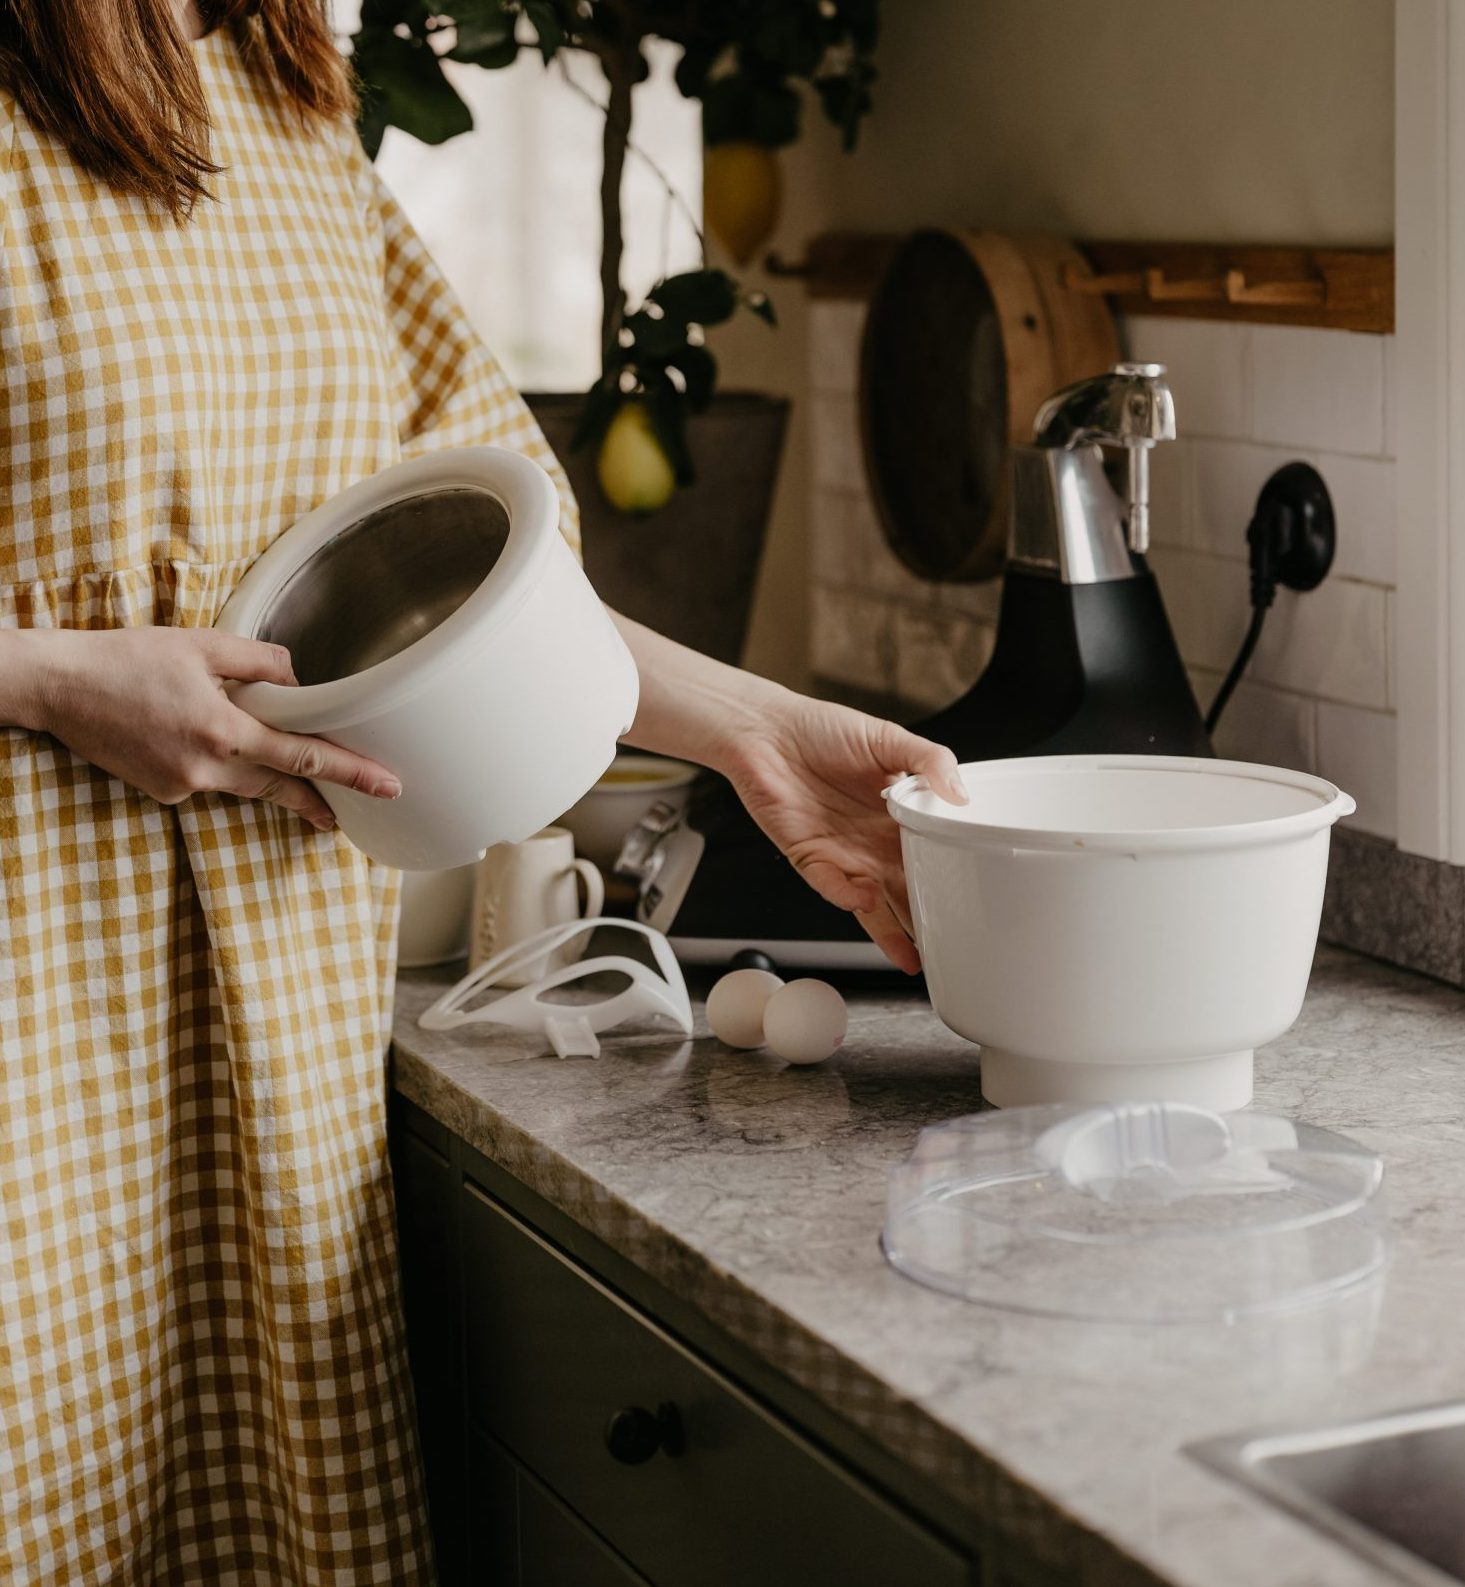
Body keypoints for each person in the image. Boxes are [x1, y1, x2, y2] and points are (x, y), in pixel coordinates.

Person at [0, 2, 962, 1580]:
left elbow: (459, 571)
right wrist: (41, 677)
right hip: (36, 1039)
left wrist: (756, 732)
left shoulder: (277, 83)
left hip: (261, 1057)